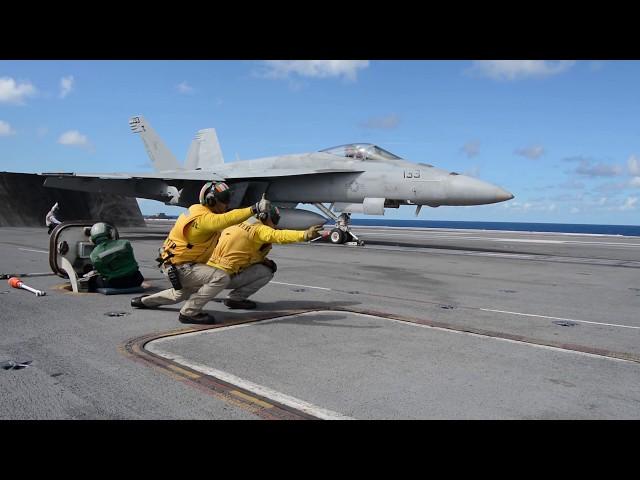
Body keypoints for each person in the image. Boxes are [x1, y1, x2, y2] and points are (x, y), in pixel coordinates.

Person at [166, 205, 322, 324]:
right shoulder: (259, 231)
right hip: (222, 276)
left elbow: (243, 250)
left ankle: (144, 301)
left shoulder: (235, 224)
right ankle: (200, 309)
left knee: (179, 293)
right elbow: (278, 235)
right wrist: (305, 234)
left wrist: (262, 260)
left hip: (204, 270)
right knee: (267, 271)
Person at [130, 181, 271, 312]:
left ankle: (144, 301)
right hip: (181, 268)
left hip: (178, 265)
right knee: (220, 277)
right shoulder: (202, 219)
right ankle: (189, 313)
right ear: (211, 200)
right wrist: (254, 209)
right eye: (224, 199)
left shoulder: (199, 212)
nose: (227, 204)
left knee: (179, 294)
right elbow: (223, 220)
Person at [87, 222, 144, 290]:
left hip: (115, 283)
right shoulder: (125, 243)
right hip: (135, 280)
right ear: (110, 234)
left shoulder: (94, 255)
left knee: (92, 281)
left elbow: (103, 273)